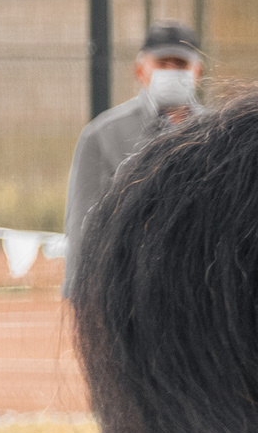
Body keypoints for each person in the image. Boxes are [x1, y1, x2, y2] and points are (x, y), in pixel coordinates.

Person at [65, 19, 206, 290]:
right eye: (162, 64)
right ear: (140, 70)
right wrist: (80, 290)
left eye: (180, 65)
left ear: (197, 71)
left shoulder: (221, 132)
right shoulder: (102, 135)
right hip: (127, 287)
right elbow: (82, 223)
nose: (171, 72)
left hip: (197, 288)